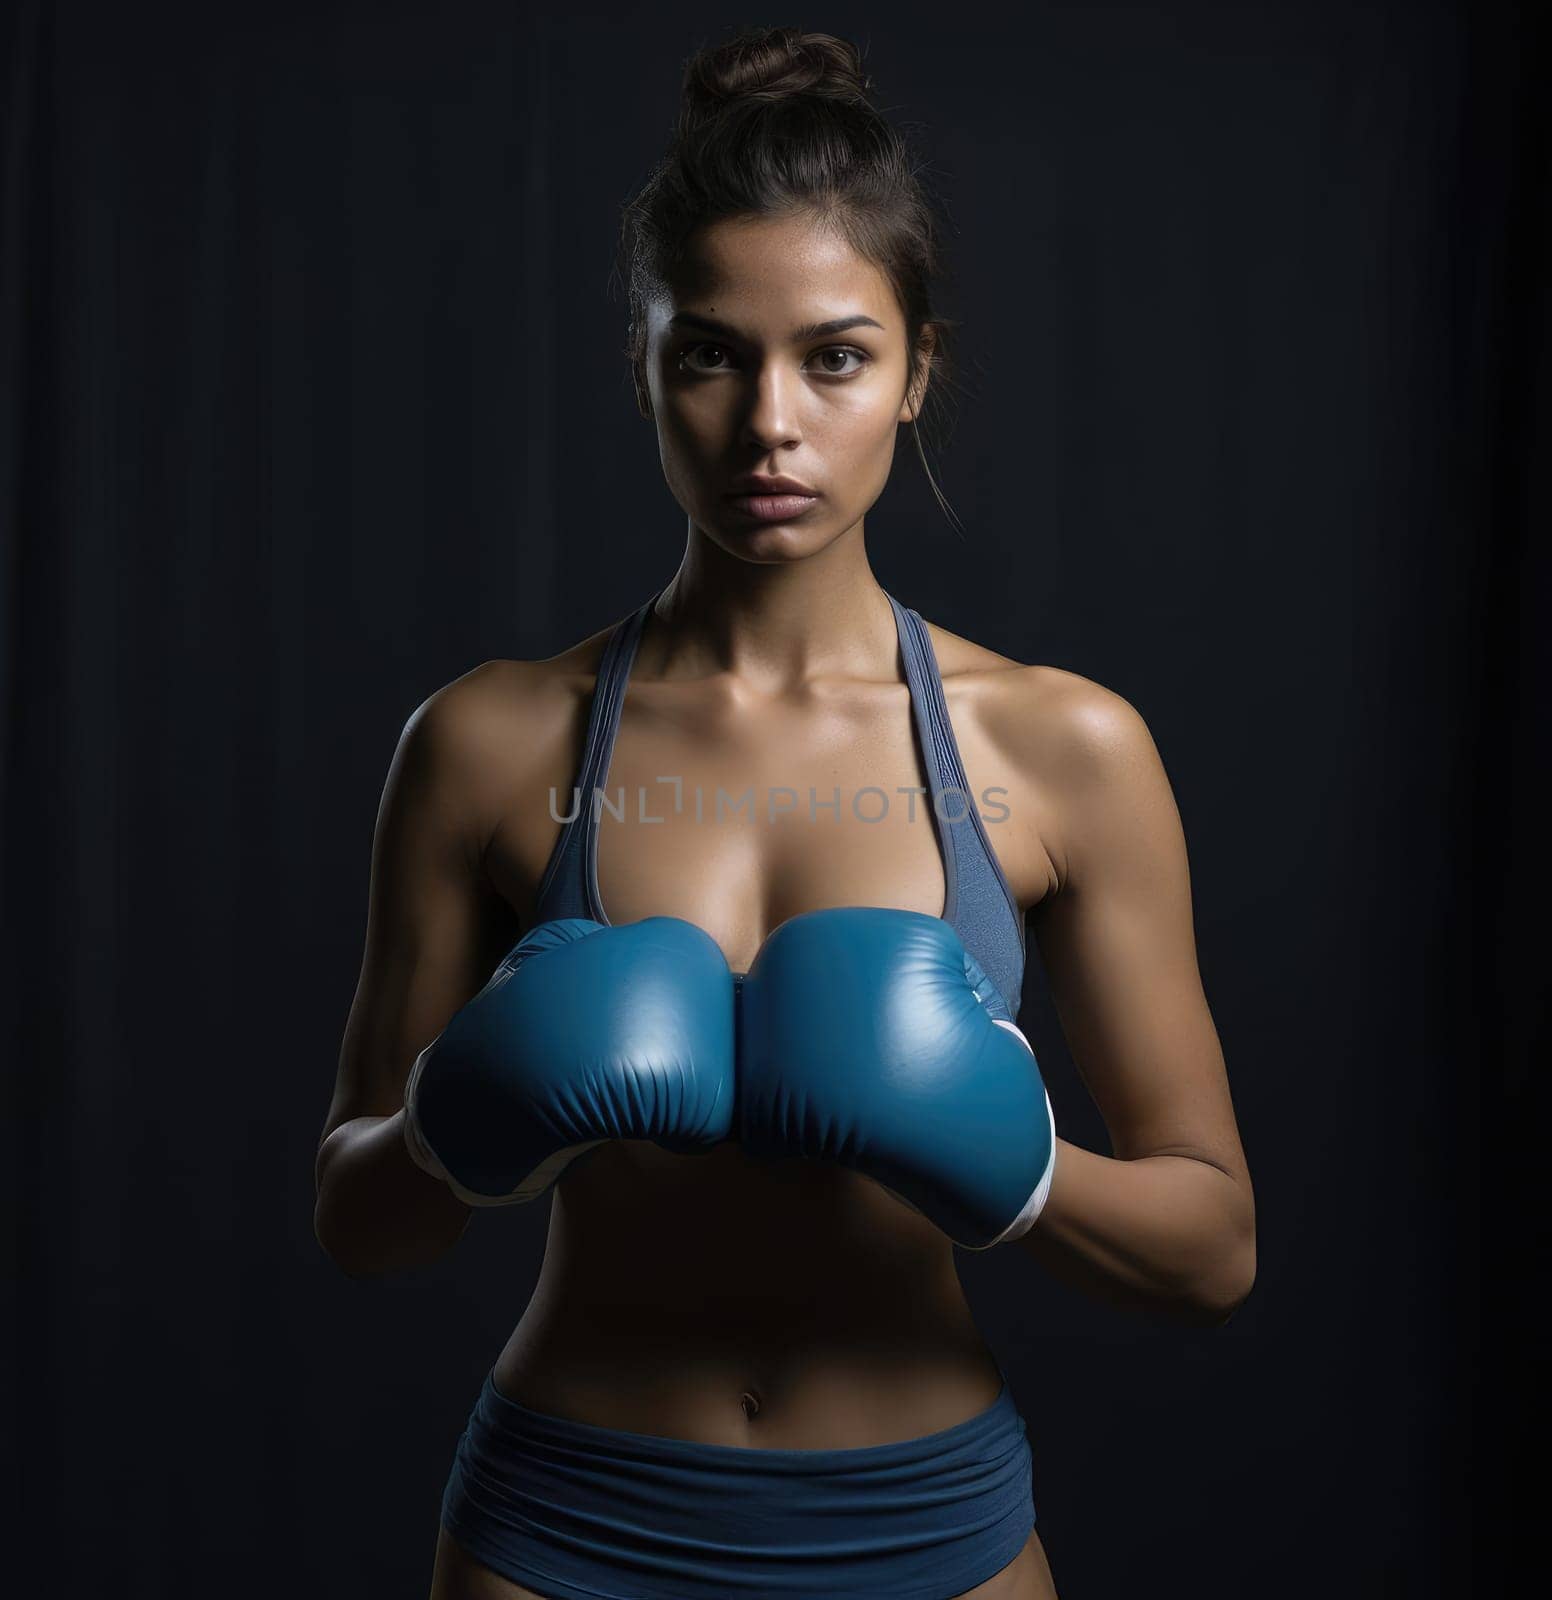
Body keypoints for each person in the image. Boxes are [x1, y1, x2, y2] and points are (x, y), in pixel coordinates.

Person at [313, 24, 1256, 1600]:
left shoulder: (1061, 747)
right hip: (567, 1517)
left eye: (834, 355)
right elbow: (358, 1221)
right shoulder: (485, 742)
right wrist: (451, 1127)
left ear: (915, 371)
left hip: (926, 1523)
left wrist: (1018, 1165)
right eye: (710, 353)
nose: (770, 423)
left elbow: (1212, 1247)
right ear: (646, 366)